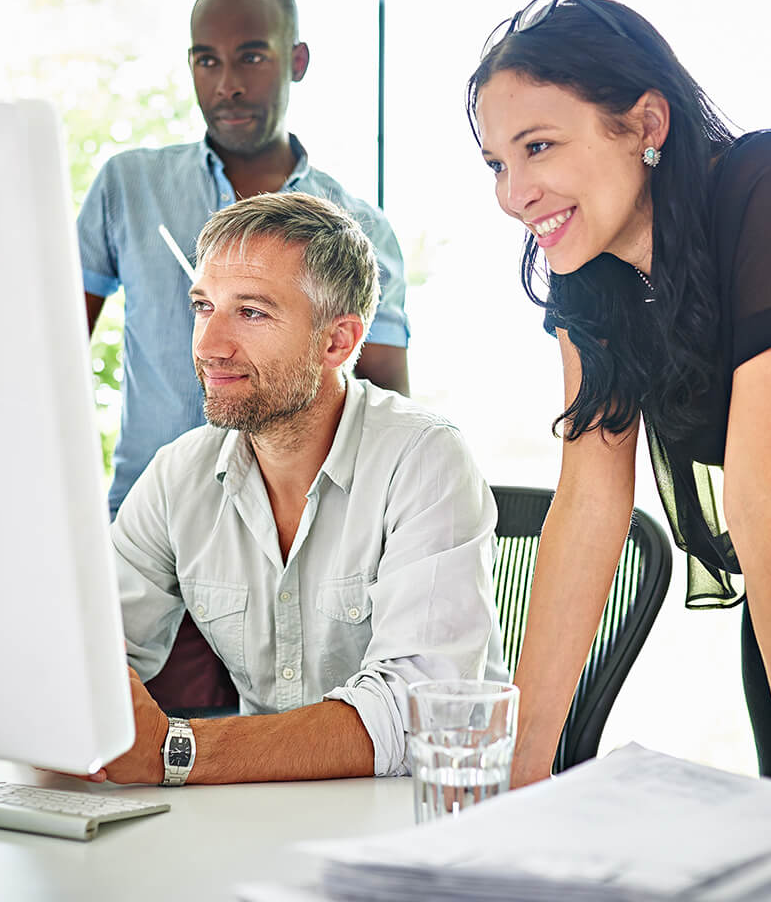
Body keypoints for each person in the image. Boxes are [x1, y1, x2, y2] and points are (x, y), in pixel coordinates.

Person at [468, 0, 771, 787]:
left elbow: (758, 500)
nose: (514, 193)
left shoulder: (766, 185)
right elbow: (588, 507)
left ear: (647, 124)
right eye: (498, 164)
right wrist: (514, 781)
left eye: (538, 146)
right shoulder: (591, 273)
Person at [85, 191, 506, 785]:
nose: (209, 346)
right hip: (258, 811)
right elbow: (92, 647)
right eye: (205, 307)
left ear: (337, 341)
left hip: (413, 821)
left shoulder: (425, 459)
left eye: (251, 312)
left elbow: (417, 717)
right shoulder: (179, 473)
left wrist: (173, 751)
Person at [77, 0, 411, 709]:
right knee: (139, 761)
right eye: (207, 60)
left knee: (294, 751)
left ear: (296, 61)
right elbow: (49, 357)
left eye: (251, 57)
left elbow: (384, 401)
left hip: (303, 557)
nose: (226, 83)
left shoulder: (360, 229)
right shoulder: (128, 186)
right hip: (156, 546)